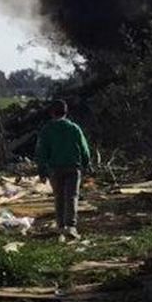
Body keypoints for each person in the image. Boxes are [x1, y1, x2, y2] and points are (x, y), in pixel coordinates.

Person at [35, 99, 92, 238]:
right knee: (72, 197)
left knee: (59, 197)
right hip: (73, 167)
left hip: (55, 169)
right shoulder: (74, 128)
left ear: (51, 113)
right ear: (66, 112)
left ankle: (60, 225)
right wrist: (87, 163)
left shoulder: (47, 130)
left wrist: (42, 171)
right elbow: (84, 148)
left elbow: (41, 152)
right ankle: (71, 226)